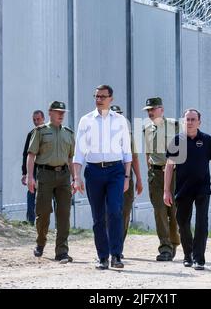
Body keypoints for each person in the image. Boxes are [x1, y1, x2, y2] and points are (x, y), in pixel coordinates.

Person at [73, 85, 132, 270]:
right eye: (97, 96)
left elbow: (127, 151)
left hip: (115, 171)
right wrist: (76, 177)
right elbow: (79, 152)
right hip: (94, 172)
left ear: (111, 99)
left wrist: (127, 176)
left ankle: (116, 255)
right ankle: (102, 257)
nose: (99, 99)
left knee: (115, 211)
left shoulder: (120, 120)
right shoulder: (86, 120)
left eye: (103, 96)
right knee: (98, 217)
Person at [164, 109, 211, 270]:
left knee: (202, 223)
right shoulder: (177, 141)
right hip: (183, 188)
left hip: (203, 188)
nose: (189, 122)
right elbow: (169, 167)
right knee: (182, 223)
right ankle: (187, 255)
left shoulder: (206, 140)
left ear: (199, 122)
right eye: (187, 119)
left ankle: (199, 258)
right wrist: (166, 190)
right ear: (184, 121)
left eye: (193, 119)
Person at [26, 101, 75, 264]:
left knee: (64, 214)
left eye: (63, 112)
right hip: (45, 175)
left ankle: (62, 251)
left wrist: (75, 179)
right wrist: (29, 177)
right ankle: (40, 242)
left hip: (64, 176)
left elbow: (71, 158)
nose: (61, 114)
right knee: (43, 212)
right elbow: (31, 155)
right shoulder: (40, 131)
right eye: (57, 111)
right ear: (50, 113)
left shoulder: (68, 133)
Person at [143, 97, 181, 261]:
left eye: (153, 109)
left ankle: (174, 242)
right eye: (148, 110)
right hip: (156, 175)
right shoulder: (146, 129)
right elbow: (147, 153)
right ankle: (164, 248)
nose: (150, 112)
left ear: (162, 109)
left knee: (173, 212)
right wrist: (149, 171)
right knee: (159, 211)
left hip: (174, 173)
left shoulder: (175, 125)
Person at [110, 105, 143, 258]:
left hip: (126, 178)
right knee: (108, 212)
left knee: (124, 212)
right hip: (109, 177)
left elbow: (134, 157)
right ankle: (109, 245)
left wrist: (139, 179)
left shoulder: (128, 135)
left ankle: (118, 246)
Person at [22, 110, 45, 225]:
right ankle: (30, 220)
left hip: (47, 170)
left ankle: (58, 224)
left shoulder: (49, 132)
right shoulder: (31, 134)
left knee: (54, 195)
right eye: (34, 120)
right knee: (31, 193)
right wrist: (24, 173)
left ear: (43, 119)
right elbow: (26, 154)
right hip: (34, 170)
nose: (36, 122)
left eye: (38, 119)